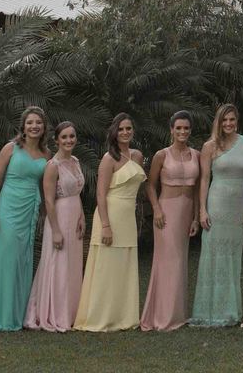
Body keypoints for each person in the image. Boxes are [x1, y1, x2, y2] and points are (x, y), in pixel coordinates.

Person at [74, 113, 147, 331]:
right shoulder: (109, 159)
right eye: (121, 129)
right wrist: (105, 225)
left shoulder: (137, 156)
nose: (125, 132)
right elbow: (100, 194)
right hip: (110, 215)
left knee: (124, 266)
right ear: (114, 132)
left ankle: (123, 316)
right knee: (106, 267)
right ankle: (100, 316)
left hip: (128, 216)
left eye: (128, 128)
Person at [191, 103, 243, 327]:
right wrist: (202, 210)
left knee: (233, 257)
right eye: (224, 120)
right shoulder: (209, 146)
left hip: (239, 206)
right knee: (213, 255)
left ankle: (230, 309)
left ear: (237, 121)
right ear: (218, 123)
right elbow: (204, 180)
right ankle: (210, 310)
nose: (228, 124)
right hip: (217, 205)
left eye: (232, 119)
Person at [0, 106, 50, 332]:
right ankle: (1, 317)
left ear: (44, 127)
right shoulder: (10, 148)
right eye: (30, 122)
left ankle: (19, 314)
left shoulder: (46, 155)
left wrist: (47, 215)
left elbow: (46, 188)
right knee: (6, 261)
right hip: (8, 209)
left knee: (23, 260)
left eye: (38, 123)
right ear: (23, 126)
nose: (34, 126)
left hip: (29, 211)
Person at [141, 110, 201, 331]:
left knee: (180, 262)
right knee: (167, 262)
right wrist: (156, 209)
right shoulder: (161, 155)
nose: (182, 132)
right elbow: (150, 185)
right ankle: (162, 316)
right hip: (166, 211)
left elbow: (197, 190)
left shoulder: (197, 155)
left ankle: (177, 313)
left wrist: (196, 218)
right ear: (171, 130)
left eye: (186, 128)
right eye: (179, 128)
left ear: (190, 130)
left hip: (186, 212)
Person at [24, 121, 85, 332]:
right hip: (59, 218)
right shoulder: (52, 166)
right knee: (58, 263)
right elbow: (49, 201)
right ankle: (55, 313)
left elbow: (77, 191)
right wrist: (56, 230)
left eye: (72, 136)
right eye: (64, 137)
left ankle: (72, 312)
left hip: (75, 216)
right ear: (56, 140)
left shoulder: (75, 161)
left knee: (73, 265)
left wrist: (82, 216)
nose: (69, 140)